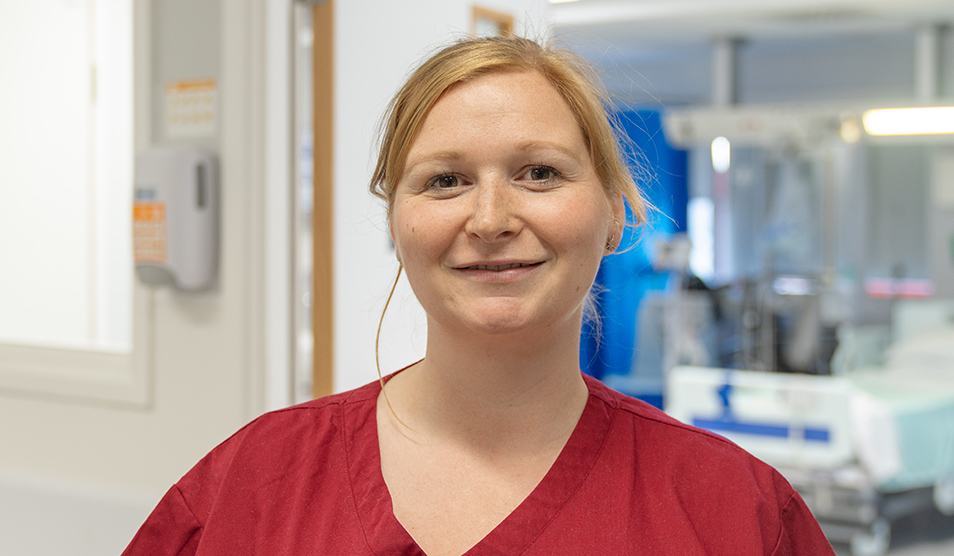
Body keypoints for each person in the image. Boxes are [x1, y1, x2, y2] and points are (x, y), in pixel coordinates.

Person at [122, 36, 835, 555]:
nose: (491, 219)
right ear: (398, 221)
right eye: (444, 181)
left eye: (540, 173)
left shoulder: (735, 513)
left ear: (617, 210)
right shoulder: (254, 484)